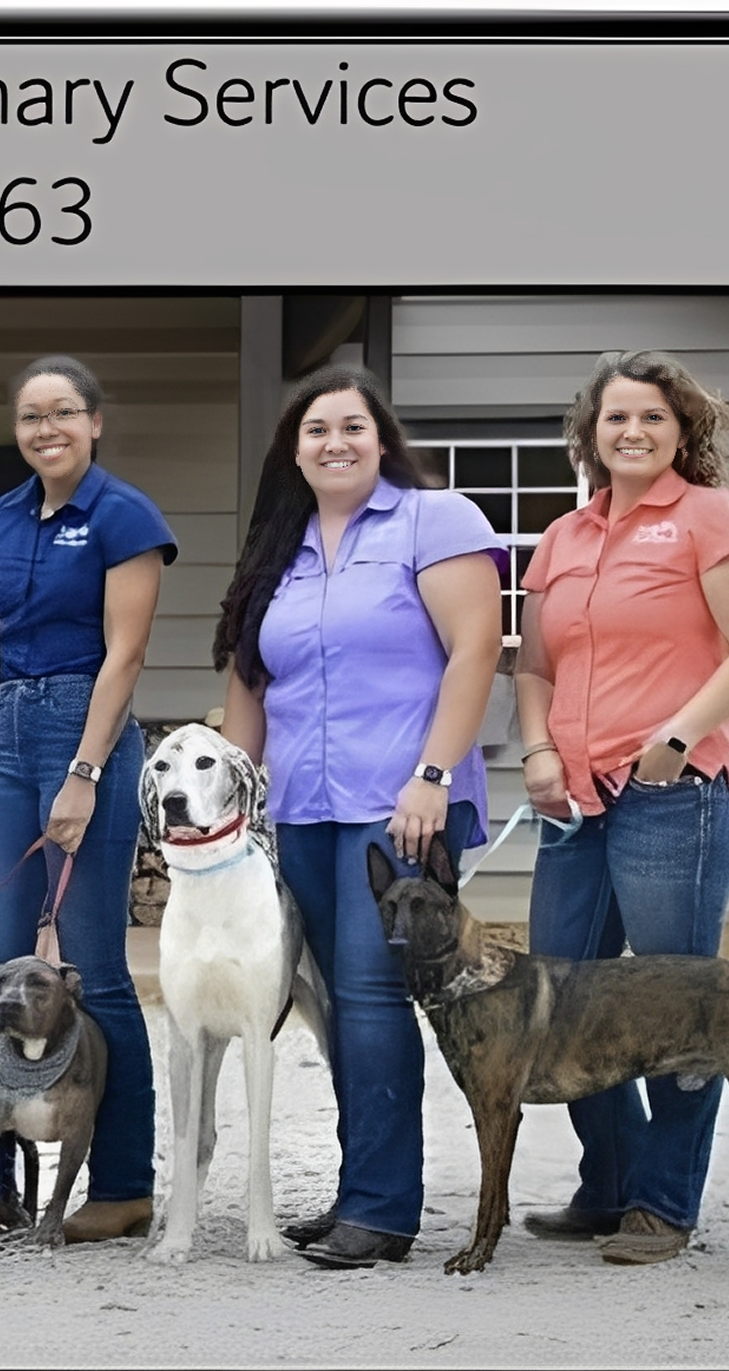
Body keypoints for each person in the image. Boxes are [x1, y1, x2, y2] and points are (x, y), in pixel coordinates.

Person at [212, 363, 502, 1268]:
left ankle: (382, 1212)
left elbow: (475, 650)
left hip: (403, 804)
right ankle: (359, 1190)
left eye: (352, 427)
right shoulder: (278, 549)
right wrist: (234, 814)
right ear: (293, 452)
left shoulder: (433, 520)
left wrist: (432, 774)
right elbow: (250, 688)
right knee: (337, 1000)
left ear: (382, 440)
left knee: (373, 995)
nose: (334, 443)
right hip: (302, 809)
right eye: (316, 430)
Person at [514, 351, 729, 1266]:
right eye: (616, 417)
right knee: (561, 999)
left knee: (678, 1006)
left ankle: (663, 1203)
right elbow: (534, 666)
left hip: (675, 795)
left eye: (653, 417)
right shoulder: (563, 537)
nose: (632, 431)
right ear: (590, 433)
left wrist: (675, 740)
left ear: (681, 431)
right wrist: (539, 751)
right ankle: (611, 1183)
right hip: (572, 800)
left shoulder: (710, 516)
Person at [0, 355, 175, 1248]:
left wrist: (86, 772)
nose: (46, 429)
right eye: (31, 416)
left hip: (85, 727)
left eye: (63, 412)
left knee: (94, 970)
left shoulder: (124, 517)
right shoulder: (1, 520)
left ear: (94, 422)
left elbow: (125, 655)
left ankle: (124, 1185)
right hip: (11, 739)